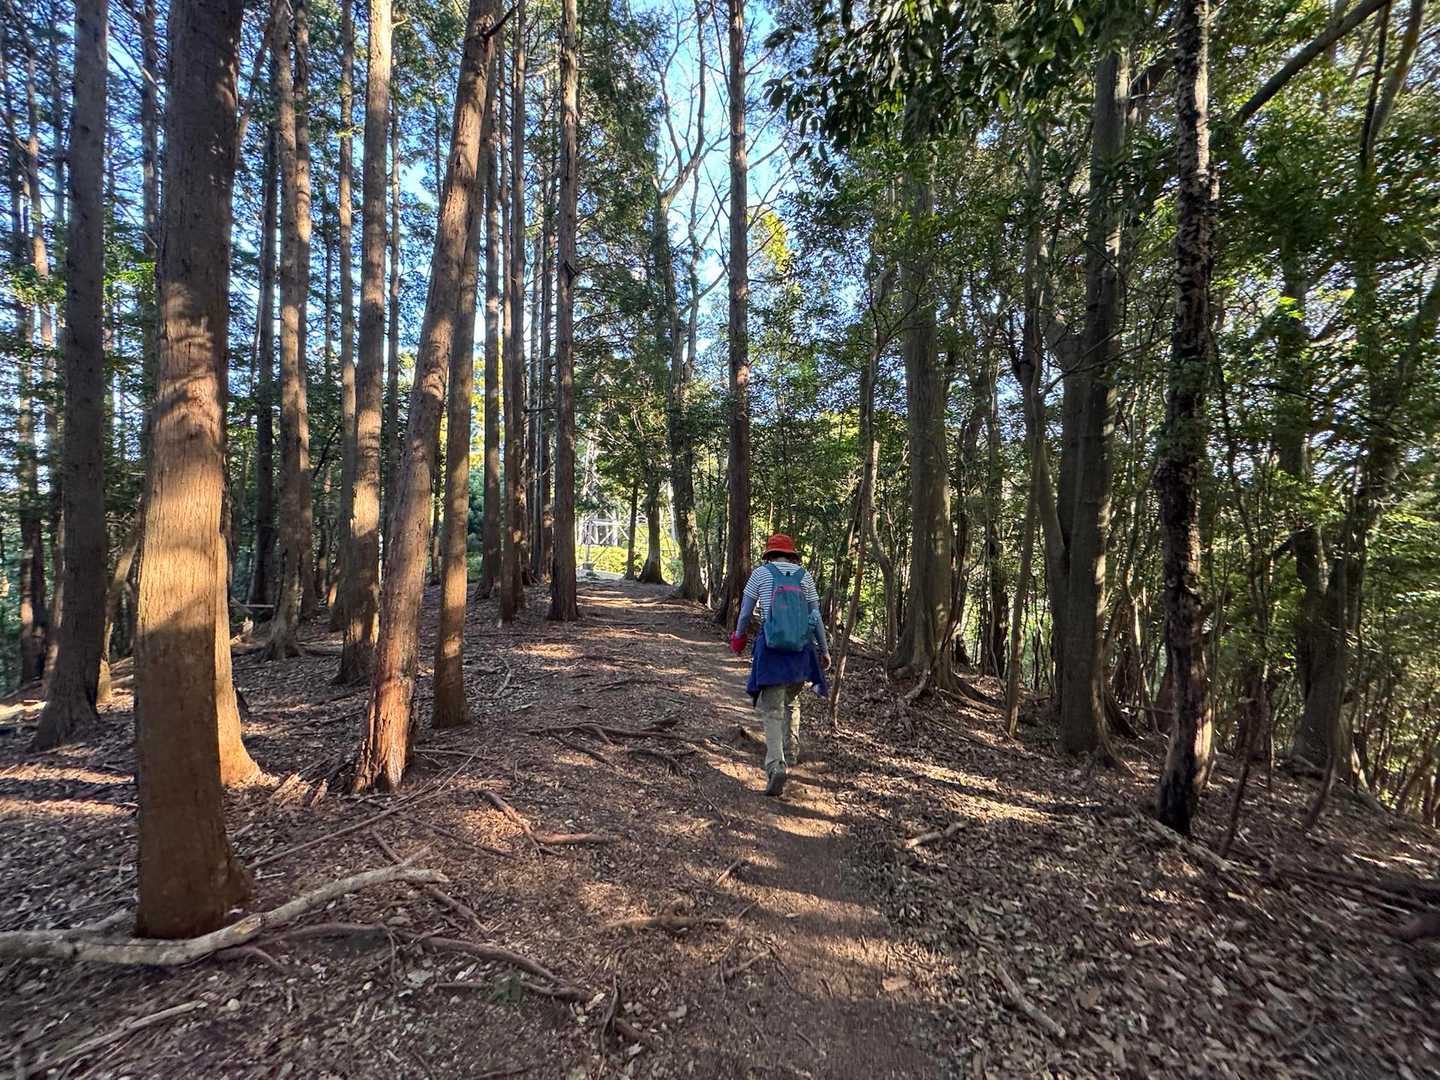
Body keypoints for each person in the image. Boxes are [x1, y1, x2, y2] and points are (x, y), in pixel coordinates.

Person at [728, 534, 830, 796]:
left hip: (772, 650)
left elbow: (745, 613)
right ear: (791, 554)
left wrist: (738, 639)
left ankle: (776, 766)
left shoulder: (761, 574)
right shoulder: (805, 577)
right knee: (792, 702)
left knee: (772, 710)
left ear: (769, 554)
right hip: (800, 651)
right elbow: (815, 616)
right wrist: (824, 650)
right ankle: (791, 752)